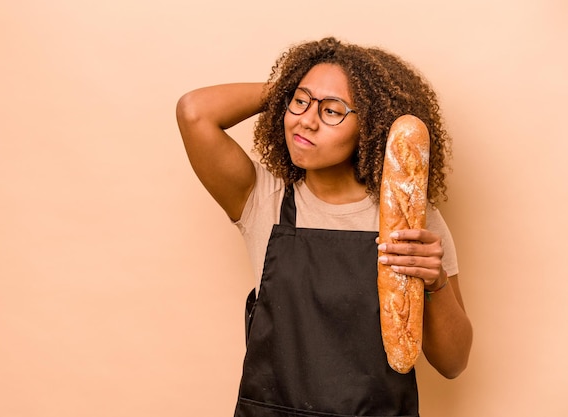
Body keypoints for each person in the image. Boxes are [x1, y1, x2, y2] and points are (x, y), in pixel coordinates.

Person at [176, 36, 472, 417]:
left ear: (371, 125)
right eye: (299, 102)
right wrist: (293, 88)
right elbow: (194, 111)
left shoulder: (409, 215)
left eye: (332, 111)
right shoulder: (260, 199)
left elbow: (454, 363)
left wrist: (436, 283)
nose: (307, 121)